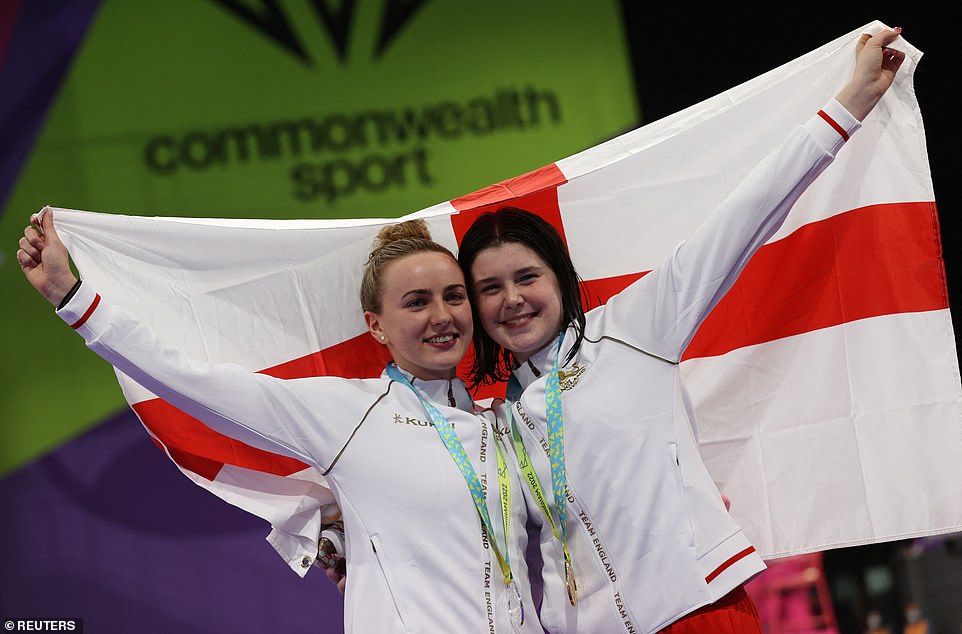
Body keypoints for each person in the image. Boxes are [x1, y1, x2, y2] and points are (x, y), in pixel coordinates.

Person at [455, 27, 905, 634]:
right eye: (490, 288)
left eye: (526, 277)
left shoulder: (634, 327)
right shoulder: (495, 419)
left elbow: (743, 218)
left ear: (559, 279)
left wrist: (847, 106)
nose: (512, 300)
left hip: (699, 612)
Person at [17, 215, 543, 633]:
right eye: (416, 302)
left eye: (453, 296)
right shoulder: (346, 413)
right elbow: (191, 382)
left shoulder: (499, 424)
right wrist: (75, 300)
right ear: (376, 326)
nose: (442, 315)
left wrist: (341, 536)